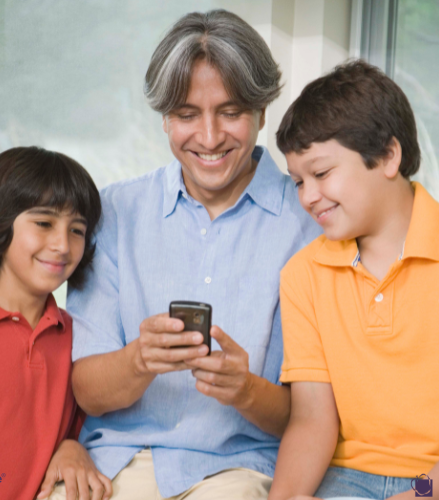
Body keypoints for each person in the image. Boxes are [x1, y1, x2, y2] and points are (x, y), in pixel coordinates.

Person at [68, 9, 320, 500]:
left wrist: (246, 389)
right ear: (165, 118)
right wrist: (137, 361)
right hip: (116, 464)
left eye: (230, 112)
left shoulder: (310, 223)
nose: (208, 138)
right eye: (187, 115)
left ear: (262, 111)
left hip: (237, 470)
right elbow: (85, 389)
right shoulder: (115, 212)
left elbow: (311, 416)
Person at [268, 60, 439, 500]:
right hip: (347, 480)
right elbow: (311, 419)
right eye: (298, 181)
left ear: (387, 156)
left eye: (322, 174)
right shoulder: (302, 275)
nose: (308, 196)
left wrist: (418, 494)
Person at [0, 147, 112, 500]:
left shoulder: (79, 339)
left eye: (77, 230)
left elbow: (84, 429)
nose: (63, 245)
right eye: (44, 223)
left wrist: (71, 448)